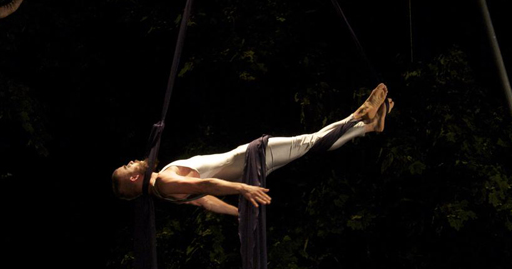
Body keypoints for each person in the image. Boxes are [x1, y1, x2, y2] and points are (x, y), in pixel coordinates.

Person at [112, 84, 393, 216]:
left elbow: (206, 201)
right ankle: (358, 116)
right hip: (251, 158)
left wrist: (239, 214)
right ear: (134, 178)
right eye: (127, 166)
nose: (131, 161)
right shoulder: (163, 181)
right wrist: (243, 190)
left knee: (310, 146)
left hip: (253, 168)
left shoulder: (164, 192)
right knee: (308, 143)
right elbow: (205, 185)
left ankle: (369, 127)